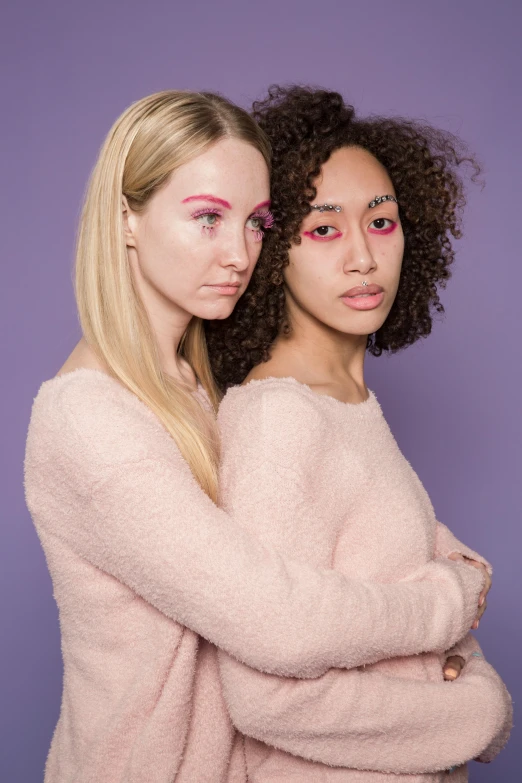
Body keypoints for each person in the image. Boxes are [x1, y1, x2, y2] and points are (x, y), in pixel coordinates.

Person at [25, 89, 487, 783]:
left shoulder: (193, 387)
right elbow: (276, 618)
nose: (239, 252)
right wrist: (445, 602)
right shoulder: (90, 420)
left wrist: (450, 568)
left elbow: (332, 524)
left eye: (255, 222)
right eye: (207, 218)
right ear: (126, 219)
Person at [206, 86, 512, 781]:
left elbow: (389, 607)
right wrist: (477, 711)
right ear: (271, 247)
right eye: (323, 229)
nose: (362, 257)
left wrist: (454, 657)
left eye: (380, 222)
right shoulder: (280, 419)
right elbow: (266, 697)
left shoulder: (346, 405)